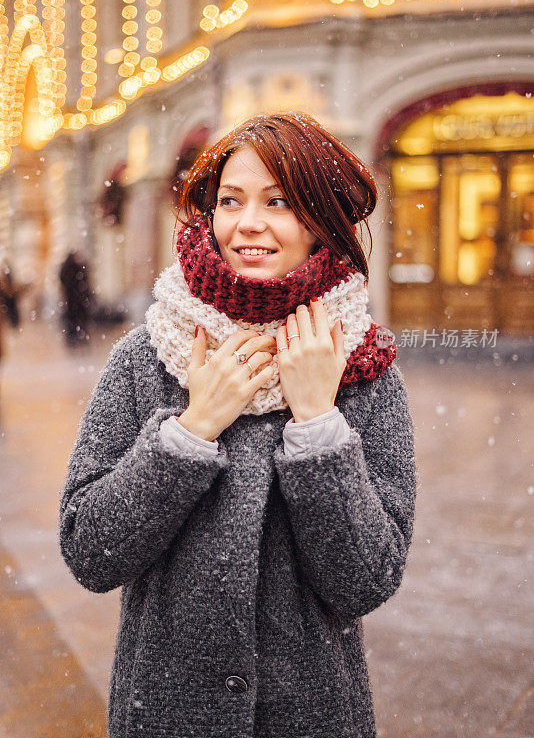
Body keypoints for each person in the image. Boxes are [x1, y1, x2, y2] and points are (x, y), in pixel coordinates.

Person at [59, 111, 417, 738]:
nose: (247, 223)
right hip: (166, 714)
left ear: (321, 221)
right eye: (230, 200)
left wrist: (317, 425)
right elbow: (91, 552)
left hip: (311, 716)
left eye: (278, 201)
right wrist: (191, 431)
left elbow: (366, 579)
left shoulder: (363, 366)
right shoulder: (148, 357)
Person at [58, 250, 92, 347]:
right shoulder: (77, 268)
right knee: (76, 320)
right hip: (76, 300)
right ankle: (77, 337)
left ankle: (75, 338)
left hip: (73, 300)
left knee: (73, 320)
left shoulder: (69, 267)